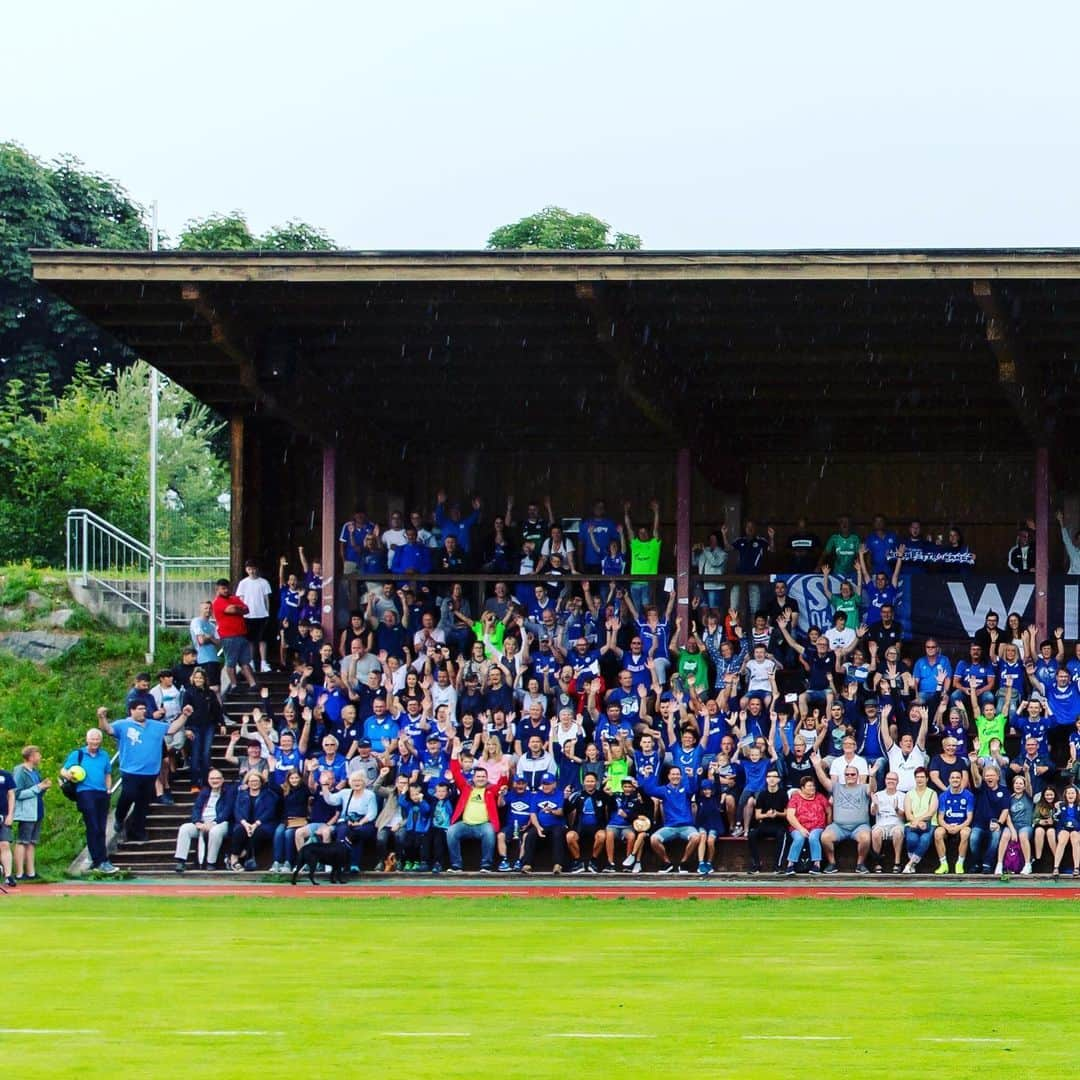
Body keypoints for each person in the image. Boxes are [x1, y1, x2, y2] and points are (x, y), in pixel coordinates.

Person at [98, 701, 190, 843]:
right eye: (140, 709)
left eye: (144, 708)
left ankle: (139, 831)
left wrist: (184, 716)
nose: (143, 711)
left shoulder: (154, 725)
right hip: (130, 770)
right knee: (128, 794)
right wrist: (102, 717)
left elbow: (172, 729)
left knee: (143, 803)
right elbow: (108, 730)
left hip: (150, 772)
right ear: (132, 711)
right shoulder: (123, 725)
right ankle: (119, 817)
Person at [60, 728, 117, 875]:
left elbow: (107, 774)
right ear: (87, 740)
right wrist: (69, 776)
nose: (95, 742)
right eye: (92, 739)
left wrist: (108, 789)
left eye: (98, 739)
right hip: (85, 793)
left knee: (101, 827)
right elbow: (63, 771)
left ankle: (100, 860)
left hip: (101, 794)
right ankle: (100, 860)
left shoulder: (104, 755)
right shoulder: (78, 754)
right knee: (93, 827)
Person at [447, 738, 507, 872]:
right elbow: (456, 773)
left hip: (484, 825)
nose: (480, 779)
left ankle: (486, 865)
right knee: (451, 831)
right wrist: (454, 755)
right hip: (465, 824)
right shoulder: (466, 787)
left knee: (489, 832)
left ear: (487, 778)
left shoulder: (491, 789)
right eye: (478, 777)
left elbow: (502, 786)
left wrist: (503, 773)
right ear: (473, 778)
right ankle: (456, 865)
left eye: (483, 777)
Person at [813, 752, 872, 874]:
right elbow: (823, 780)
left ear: (857, 775)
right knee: (825, 837)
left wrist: (872, 776)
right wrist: (817, 766)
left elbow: (873, 788)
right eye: (847, 774)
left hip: (860, 826)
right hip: (839, 826)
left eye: (853, 774)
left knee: (865, 838)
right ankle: (832, 863)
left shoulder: (864, 787)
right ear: (843, 775)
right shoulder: (836, 786)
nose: (850, 776)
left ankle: (860, 864)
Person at [174, 769, 234, 872]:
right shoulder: (205, 791)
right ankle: (181, 861)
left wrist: (214, 823)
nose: (215, 781)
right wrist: (197, 822)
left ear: (223, 780)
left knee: (215, 831)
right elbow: (196, 808)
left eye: (218, 778)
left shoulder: (228, 792)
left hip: (220, 823)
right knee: (185, 828)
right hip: (202, 822)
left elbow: (227, 810)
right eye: (212, 778)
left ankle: (211, 862)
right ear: (208, 780)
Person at [179, 666, 224, 793]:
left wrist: (222, 723)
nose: (198, 680)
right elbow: (184, 711)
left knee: (206, 753)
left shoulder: (210, 693)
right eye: (196, 677)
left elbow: (217, 709)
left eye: (201, 678)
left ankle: (205, 782)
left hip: (209, 725)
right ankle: (194, 783)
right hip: (194, 726)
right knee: (196, 753)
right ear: (193, 679)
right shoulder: (188, 692)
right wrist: (186, 728)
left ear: (204, 679)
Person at [211, 578, 257, 696]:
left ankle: (252, 684)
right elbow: (231, 609)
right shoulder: (217, 602)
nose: (226, 590)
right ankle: (234, 684)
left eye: (227, 588)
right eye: (223, 588)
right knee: (230, 662)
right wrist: (238, 608)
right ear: (218, 589)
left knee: (244, 661)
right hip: (228, 636)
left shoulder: (234, 598)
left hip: (241, 634)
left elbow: (246, 609)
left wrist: (237, 608)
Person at [226, 771, 279, 872]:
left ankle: (244, 854)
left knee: (258, 833)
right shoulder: (241, 794)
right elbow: (236, 810)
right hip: (244, 823)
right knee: (239, 831)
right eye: (251, 781)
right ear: (247, 782)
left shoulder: (268, 794)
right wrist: (245, 824)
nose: (254, 783)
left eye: (256, 780)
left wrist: (256, 824)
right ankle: (234, 859)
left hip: (263, 823)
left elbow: (270, 811)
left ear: (261, 782)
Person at [12, 746, 50, 881]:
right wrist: (38, 787)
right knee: (22, 841)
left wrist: (43, 787)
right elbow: (16, 793)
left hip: (37, 810)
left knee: (32, 842)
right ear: (31, 756)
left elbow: (38, 791)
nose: (40, 757)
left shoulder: (35, 772)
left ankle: (31, 872)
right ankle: (19, 873)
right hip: (26, 812)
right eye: (38, 754)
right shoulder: (20, 771)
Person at [783, 775, 830, 875]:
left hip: (817, 826)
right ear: (802, 788)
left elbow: (829, 812)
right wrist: (801, 829)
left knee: (813, 837)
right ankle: (790, 865)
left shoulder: (820, 797)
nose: (812, 788)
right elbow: (790, 816)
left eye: (813, 786)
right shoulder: (795, 799)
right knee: (799, 838)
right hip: (798, 827)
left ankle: (816, 865)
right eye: (809, 786)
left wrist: (828, 826)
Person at [522, 772, 568, 873]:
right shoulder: (537, 796)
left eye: (548, 784)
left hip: (557, 825)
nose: (545, 786)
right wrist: (538, 827)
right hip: (541, 825)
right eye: (544, 784)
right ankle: (527, 864)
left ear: (554, 784)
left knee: (557, 834)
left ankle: (558, 865)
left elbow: (561, 812)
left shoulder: (560, 794)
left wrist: (551, 811)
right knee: (530, 835)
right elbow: (533, 814)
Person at [933, 769, 975, 874]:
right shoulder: (943, 796)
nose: (955, 780)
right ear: (949, 780)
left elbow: (969, 818)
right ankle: (943, 864)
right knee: (938, 833)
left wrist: (958, 827)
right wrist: (947, 827)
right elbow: (940, 818)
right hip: (947, 825)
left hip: (962, 825)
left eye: (957, 777)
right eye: (953, 778)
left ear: (961, 779)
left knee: (965, 833)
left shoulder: (968, 795)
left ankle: (960, 864)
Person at [746, 769, 788, 874]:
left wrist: (777, 813)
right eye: (769, 777)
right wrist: (767, 815)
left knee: (782, 835)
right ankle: (756, 864)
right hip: (765, 824)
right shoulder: (762, 794)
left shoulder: (783, 794)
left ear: (778, 779)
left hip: (779, 824)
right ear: (766, 779)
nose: (772, 779)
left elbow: (787, 814)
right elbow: (757, 815)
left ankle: (777, 866)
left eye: (774, 777)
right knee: (751, 834)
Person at [623, 499, 661, 612]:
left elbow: (656, 529)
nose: (643, 534)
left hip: (648, 583)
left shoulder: (654, 545)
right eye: (640, 532)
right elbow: (628, 528)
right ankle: (639, 629)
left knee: (647, 608)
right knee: (635, 610)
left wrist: (656, 512)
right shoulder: (635, 544)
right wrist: (625, 512)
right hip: (634, 582)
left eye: (645, 532)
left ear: (648, 534)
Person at [995, 772, 1035, 876]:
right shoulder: (1009, 798)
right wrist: (1012, 830)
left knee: (1022, 835)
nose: (1018, 785)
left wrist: (1026, 772)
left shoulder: (1028, 796)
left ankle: (1027, 865)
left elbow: (1029, 786)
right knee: (1005, 835)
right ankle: (999, 864)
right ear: (1013, 785)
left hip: (1025, 826)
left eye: (1021, 783)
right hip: (1013, 825)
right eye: (1016, 783)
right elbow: (1007, 815)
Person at [901, 767, 938, 874]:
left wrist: (920, 820)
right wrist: (916, 822)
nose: (919, 779)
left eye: (922, 777)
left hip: (929, 823)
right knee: (911, 840)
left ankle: (909, 864)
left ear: (927, 779)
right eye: (917, 777)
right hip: (912, 823)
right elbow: (908, 814)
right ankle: (912, 864)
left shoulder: (932, 793)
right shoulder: (909, 794)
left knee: (925, 839)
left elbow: (931, 812)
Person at [870, 771, 906, 873]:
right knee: (876, 832)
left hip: (897, 823)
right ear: (885, 780)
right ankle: (877, 862)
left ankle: (897, 862)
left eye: (893, 779)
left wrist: (896, 809)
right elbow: (873, 813)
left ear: (897, 782)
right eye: (888, 779)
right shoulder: (878, 795)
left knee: (898, 833)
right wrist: (876, 805)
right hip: (881, 823)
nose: (891, 781)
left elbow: (903, 815)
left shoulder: (902, 796)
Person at [189, 600, 221, 692]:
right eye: (206, 608)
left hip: (214, 658)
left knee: (217, 687)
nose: (208, 610)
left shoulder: (212, 625)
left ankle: (218, 706)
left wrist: (208, 637)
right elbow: (201, 640)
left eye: (210, 608)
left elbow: (218, 642)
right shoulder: (196, 621)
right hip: (203, 659)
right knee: (210, 687)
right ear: (201, 609)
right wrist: (211, 638)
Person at [1052, 786, 1080, 877]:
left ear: (1076, 795)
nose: (1071, 795)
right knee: (1063, 838)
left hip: (1076, 829)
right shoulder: (1060, 805)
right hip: (1063, 828)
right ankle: (1056, 867)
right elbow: (1055, 818)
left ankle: (1076, 868)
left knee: (1075, 837)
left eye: (1073, 793)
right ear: (1065, 795)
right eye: (1069, 793)